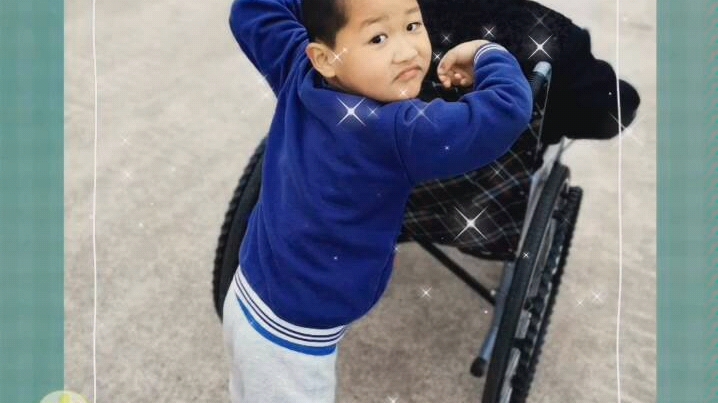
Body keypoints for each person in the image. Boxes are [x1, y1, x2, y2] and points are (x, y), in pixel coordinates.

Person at [222, 0, 532, 400]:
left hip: (252, 286)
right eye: (378, 37)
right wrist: (489, 54)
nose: (407, 51)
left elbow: (252, 9)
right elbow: (507, 110)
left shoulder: (296, 69)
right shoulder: (396, 133)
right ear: (325, 58)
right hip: (293, 335)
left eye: (413, 25)